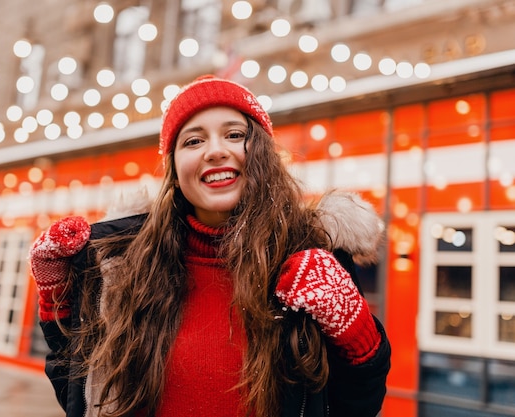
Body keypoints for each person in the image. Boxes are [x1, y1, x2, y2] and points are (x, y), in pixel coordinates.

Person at [29, 75, 391, 417]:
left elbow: (355, 406)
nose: (215, 151)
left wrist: (360, 336)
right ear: (174, 165)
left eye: (234, 135)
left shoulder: (317, 258)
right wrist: (56, 298)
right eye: (193, 140)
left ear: (263, 154)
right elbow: (83, 397)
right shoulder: (122, 264)